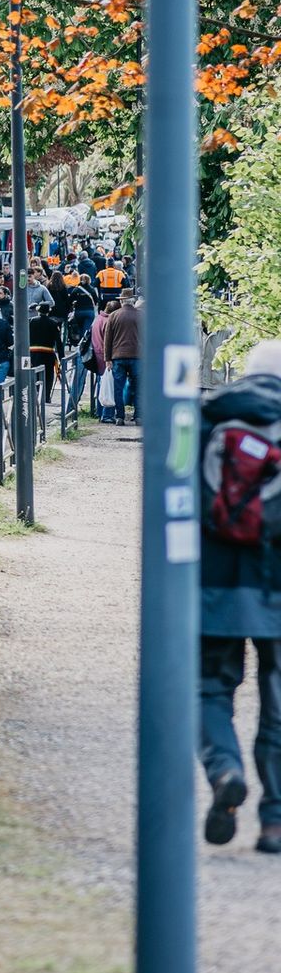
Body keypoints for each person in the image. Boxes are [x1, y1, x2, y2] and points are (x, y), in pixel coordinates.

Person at [198, 341, 281, 854]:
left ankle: (224, 768)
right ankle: (274, 823)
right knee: (277, 705)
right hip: (276, 586)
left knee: (208, 688)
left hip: (214, 584)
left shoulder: (209, 419)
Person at [104, 290, 142, 426]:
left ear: (121, 301)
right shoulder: (141, 316)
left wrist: (107, 358)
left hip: (118, 357)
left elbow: (108, 340)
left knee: (118, 388)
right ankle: (138, 415)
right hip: (137, 357)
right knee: (138, 387)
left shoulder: (113, 316)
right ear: (133, 301)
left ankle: (120, 416)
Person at [28, 303, 63, 403]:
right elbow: (58, 343)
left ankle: (35, 395)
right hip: (48, 354)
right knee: (48, 376)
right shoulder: (53, 323)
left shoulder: (31, 321)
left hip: (33, 353)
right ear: (49, 311)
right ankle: (46, 397)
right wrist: (61, 357)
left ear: (38, 311)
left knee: (35, 374)